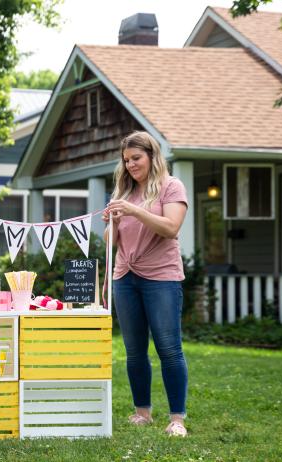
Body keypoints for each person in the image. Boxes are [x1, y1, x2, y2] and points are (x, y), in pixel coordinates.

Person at [102, 131, 189, 437]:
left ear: (152, 156)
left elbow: (171, 228)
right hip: (125, 277)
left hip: (161, 277)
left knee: (169, 348)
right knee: (134, 350)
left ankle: (177, 419)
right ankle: (143, 413)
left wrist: (133, 210)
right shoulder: (123, 192)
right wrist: (111, 221)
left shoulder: (171, 186)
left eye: (136, 158)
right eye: (126, 161)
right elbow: (110, 243)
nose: (130, 165)